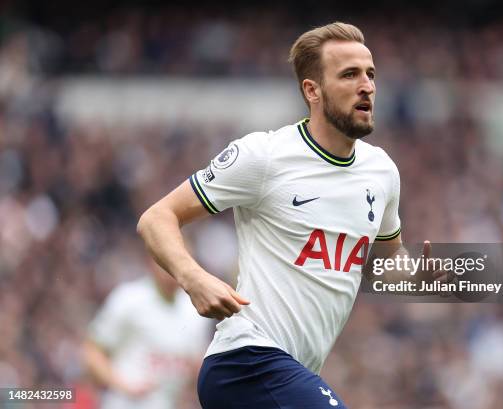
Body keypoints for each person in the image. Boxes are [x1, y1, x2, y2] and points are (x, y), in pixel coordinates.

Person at [137, 21, 439, 408]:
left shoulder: (382, 172)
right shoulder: (264, 156)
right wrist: (194, 278)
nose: (367, 85)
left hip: (292, 373)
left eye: (370, 74)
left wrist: (417, 275)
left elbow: (383, 263)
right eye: (349, 74)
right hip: (245, 363)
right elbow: (156, 218)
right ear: (312, 90)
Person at [81, 258, 213, 409]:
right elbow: (92, 351)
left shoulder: (196, 309)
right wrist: (124, 385)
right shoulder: (128, 298)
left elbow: (194, 369)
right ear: (153, 261)